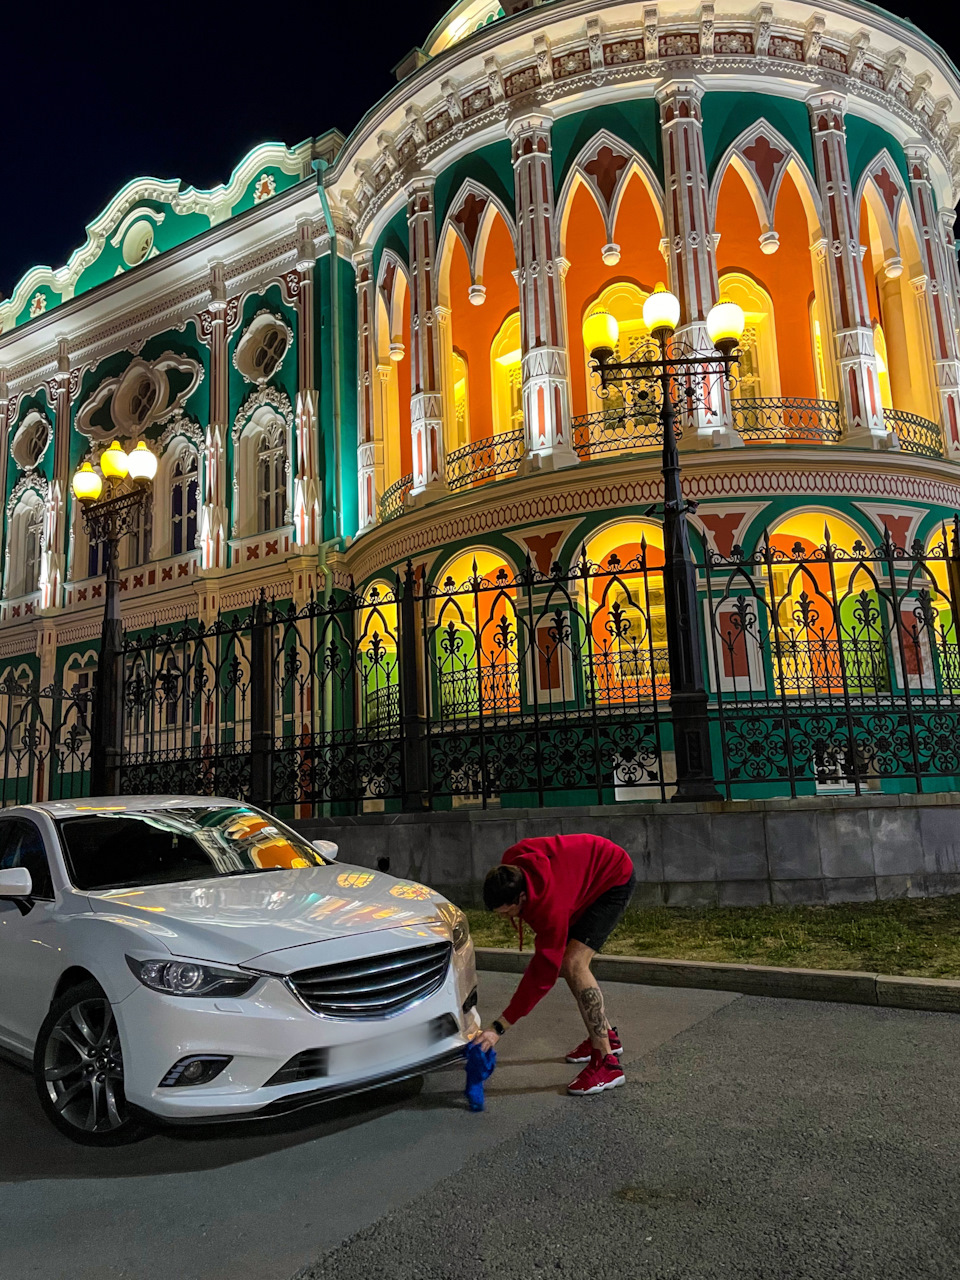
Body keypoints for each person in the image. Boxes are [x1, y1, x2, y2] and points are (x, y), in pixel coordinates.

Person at [476, 833, 636, 1096]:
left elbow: (542, 974)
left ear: (522, 898)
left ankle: (607, 1061)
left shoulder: (550, 907)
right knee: (570, 959)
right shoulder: (511, 864)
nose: (505, 918)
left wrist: (499, 1027)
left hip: (613, 876)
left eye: (507, 912)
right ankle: (607, 1035)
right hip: (583, 875)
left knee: (573, 963)